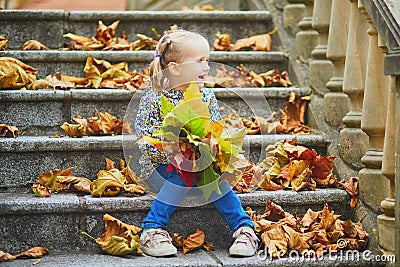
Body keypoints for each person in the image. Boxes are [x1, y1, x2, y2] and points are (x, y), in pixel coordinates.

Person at [135, 29, 259, 257]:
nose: (207, 67)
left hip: (199, 166)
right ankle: (152, 228)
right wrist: (179, 154)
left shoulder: (207, 97)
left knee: (212, 174)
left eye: (207, 61)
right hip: (160, 168)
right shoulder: (154, 98)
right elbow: (147, 139)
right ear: (175, 68)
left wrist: (211, 147)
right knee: (182, 172)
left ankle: (244, 228)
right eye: (200, 61)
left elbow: (213, 129)